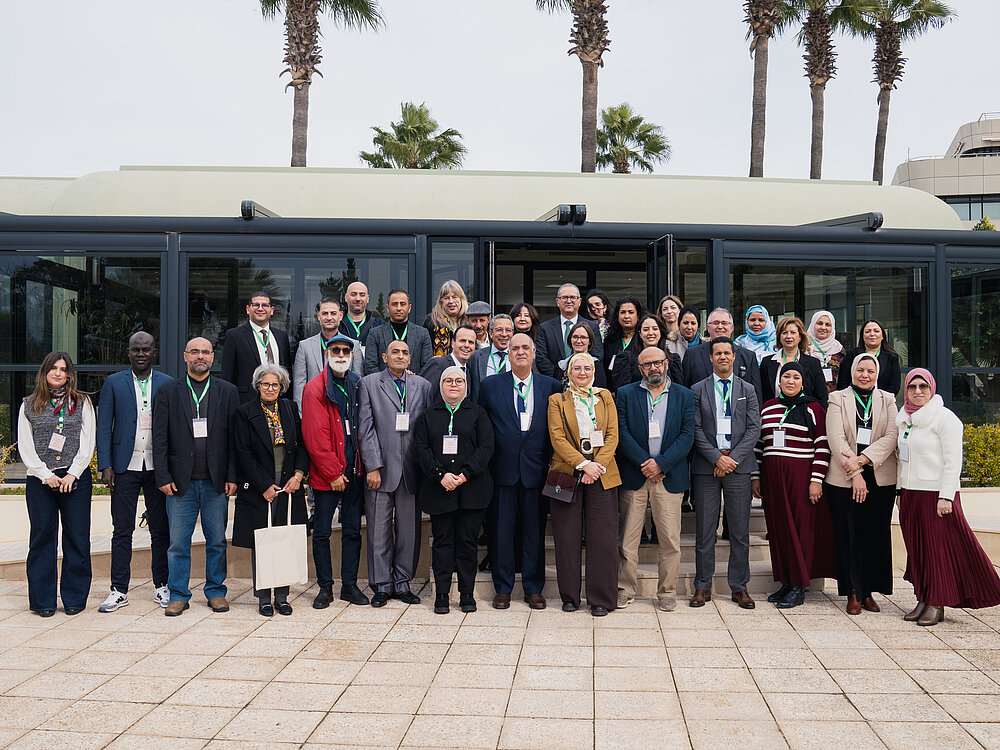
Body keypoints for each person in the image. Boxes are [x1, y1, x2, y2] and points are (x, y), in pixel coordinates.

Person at [895, 369, 1000, 626]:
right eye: (912, 387)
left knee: (936, 551)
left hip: (936, 496)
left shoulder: (945, 419)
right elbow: (901, 459)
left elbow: (953, 462)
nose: (917, 391)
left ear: (931, 389)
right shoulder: (905, 419)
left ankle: (937, 602)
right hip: (910, 495)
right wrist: (899, 491)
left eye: (923, 386)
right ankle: (923, 597)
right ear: (906, 390)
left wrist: (946, 497)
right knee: (918, 551)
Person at [152, 337, 239, 616]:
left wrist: (232, 475)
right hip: (180, 482)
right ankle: (178, 593)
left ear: (213, 357)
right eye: (194, 352)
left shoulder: (228, 391)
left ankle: (215, 591)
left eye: (205, 352)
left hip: (216, 482)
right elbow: (160, 438)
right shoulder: (167, 391)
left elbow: (235, 440)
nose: (200, 356)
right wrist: (163, 476)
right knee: (179, 543)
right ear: (185, 356)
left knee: (216, 541)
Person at [477, 333, 562, 610]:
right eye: (515, 348)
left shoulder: (550, 386)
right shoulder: (490, 386)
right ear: (508, 354)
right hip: (501, 471)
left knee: (534, 532)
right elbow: (483, 430)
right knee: (501, 532)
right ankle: (503, 588)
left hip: (537, 472)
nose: (521, 352)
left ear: (535, 353)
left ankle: (533, 588)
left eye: (526, 347)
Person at [95, 332, 173, 613]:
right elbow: (104, 426)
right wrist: (105, 465)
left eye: (147, 349)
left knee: (160, 530)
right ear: (128, 352)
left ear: (155, 352)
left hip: (158, 468)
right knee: (122, 530)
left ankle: (162, 586)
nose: (141, 354)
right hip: (123, 468)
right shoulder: (114, 383)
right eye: (136, 350)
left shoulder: (167, 383)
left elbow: (174, 428)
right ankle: (118, 590)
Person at [615, 346, 695, 612]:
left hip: (668, 476)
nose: (653, 368)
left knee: (670, 540)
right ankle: (625, 589)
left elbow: (687, 436)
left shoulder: (684, 395)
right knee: (628, 539)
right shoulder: (626, 394)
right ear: (640, 369)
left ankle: (667, 591)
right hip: (634, 475)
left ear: (667, 363)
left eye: (658, 363)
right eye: (647, 364)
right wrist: (645, 463)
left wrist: (661, 464)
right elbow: (622, 433)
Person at [751, 362, 835, 609]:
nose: (790, 381)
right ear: (779, 380)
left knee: (800, 531)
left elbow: (822, 445)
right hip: (773, 480)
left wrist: (816, 481)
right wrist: (756, 477)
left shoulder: (813, 408)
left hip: (801, 479)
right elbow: (758, 445)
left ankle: (799, 585)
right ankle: (786, 581)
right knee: (779, 531)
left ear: (802, 382)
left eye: (795, 377)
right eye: (786, 376)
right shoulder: (767, 408)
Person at [18, 352, 96, 617]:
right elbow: (25, 446)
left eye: (63, 369)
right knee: (42, 539)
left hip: (75, 478)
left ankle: (74, 598)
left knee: (77, 538)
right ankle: (43, 602)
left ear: (69, 374)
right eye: (53, 368)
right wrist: (45, 474)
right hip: (41, 481)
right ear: (45, 372)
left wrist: (73, 473)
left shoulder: (82, 402)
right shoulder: (29, 404)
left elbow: (88, 441)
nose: (58, 373)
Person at [413, 367, 495, 614]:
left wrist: (464, 475)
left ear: (466, 385)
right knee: (442, 543)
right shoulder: (428, 415)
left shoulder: (478, 413)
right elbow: (421, 448)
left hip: (472, 490)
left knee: (467, 544)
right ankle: (441, 595)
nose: (454, 385)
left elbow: (486, 446)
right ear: (441, 385)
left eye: (459, 380)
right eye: (448, 380)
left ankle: (467, 595)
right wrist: (441, 475)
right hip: (440, 490)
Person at [358, 340, 433, 606]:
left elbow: (426, 430)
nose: (400, 356)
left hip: (412, 470)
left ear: (410, 357)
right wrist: (373, 466)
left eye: (404, 352)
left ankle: (402, 582)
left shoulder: (423, 386)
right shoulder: (369, 384)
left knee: (408, 531)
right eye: (395, 352)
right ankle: (380, 585)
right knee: (378, 530)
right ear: (384, 356)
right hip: (381, 468)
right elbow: (365, 429)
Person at [547, 352, 621, 616]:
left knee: (603, 538)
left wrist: (596, 465)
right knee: (566, 536)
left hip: (602, 472)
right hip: (567, 472)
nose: (582, 372)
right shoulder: (558, 400)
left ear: (593, 370)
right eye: (576, 368)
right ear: (569, 372)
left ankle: (601, 598)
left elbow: (612, 434)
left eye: (586, 368)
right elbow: (557, 438)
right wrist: (583, 464)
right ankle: (569, 596)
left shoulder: (605, 397)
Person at [690, 337, 761, 609]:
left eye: (726, 353)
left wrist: (733, 459)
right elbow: (695, 429)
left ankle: (739, 587)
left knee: (740, 532)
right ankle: (702, 586)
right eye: (717, 353)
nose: (722, 357)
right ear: (710, 358)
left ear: (734, 357)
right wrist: (717, 458)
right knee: (705, 530)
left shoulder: (748, 389)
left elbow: (754, 428)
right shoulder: (697, 389)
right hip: (707, 467)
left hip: (739, 467)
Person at [232, 364, 308, 616]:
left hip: (288, 483)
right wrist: (263, 485)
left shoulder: (289, 408)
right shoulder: (245, 413)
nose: (270, 388)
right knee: (263, 541)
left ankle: (283, 597)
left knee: (284, 539)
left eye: (275, 384)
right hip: (260, 485)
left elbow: (300, 446)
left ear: (282, 387)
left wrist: (298, 475)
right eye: (265, 384)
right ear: (257, 386)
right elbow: (243, 453)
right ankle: (264, 597)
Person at [824, 354, 898, 615]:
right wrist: (855, 472)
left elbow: (892, 436)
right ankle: (853, 590)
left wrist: (864, 460)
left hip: (880, 478)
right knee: (849, 536)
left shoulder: (888, 399)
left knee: (874, 535)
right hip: (843, 479)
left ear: (877, 374)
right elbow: (835, 437)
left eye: (870, 371)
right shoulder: (837, 398)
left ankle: (869, 591)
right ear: (853, 371)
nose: (865, 375)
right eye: (860, 370)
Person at [301, 333, 370, 608]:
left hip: (353, 472)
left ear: (352, 356)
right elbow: (315, 438)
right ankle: (325, 588)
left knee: (353, 531)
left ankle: (350, 586)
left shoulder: (357, 383)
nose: (341, 355)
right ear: (327, 354)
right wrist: (332, 474)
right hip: (326, 476)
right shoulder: (314, 388)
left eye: (345, 351)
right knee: (322, 533)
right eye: (336, 350)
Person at [292, 297, 363, 414]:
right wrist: (301, 415)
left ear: (340, 316)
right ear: (318, 316)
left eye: (333, 313)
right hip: (315, 411)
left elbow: (358, 383)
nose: (329, 317)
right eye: (325, 313)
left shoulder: (353, 346)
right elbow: (299, 386)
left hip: (344, 412)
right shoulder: (304, 346)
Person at [221, 292, 292, 404]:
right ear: (248, 309)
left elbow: (288, 372)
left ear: (271, 310)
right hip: (246, 403)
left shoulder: (281, 336)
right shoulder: (234, 336)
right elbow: (227, 376)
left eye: (265, 305)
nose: (260, 308)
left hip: (278, 402)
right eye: (256, 305)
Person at [680, 308, 762, 401]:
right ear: (708, 328)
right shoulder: (692, 355)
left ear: (732, 328)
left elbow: (756, 396)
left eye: (724, 323)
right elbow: (684, 391)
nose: (720, 326)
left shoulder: (748, 357)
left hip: (739, 414)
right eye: (715, 323)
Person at [759, 317, 829, 409]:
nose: (788, 336)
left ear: (800, 337)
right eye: (784, 333)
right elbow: (761, 394)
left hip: (804, 418)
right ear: (779, 337)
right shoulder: (767, 362)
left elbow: (821, 396)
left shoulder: (813, 363)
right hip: (774, 415)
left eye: (793, 332)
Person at [536, 284, 604, 378]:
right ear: (557, 301)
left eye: (573, 297)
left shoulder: (592, 327)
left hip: (584, 383)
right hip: (554, 383)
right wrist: (560, 377)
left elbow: (597, 356)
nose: (569, 301)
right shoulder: (545, 328)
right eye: (564, 297)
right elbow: (541, 358)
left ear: (579, 301)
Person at [363, 289, 433, 376]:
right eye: (394, 304)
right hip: (382, 387)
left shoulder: (423, 334)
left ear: (409, 308)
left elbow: (427, 366)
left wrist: (413, 381)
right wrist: (387, 381)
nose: (399, 308)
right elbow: (370, 366)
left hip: (414, 387)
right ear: (388, 308)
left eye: (402, 304)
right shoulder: (375, 334)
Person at [836, 319, 902, 395]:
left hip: (882, 402)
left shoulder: (891, 357)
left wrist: (883, 400)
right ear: (862, 336)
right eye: (867, 331)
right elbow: (843, 382)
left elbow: (894, 386)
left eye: (876, 331)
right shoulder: (851, 355)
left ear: (882, 336)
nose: (872, 334)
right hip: (853, 402)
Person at [420, 324, 480, 401]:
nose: (467, 345)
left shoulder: (469, 371)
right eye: (462, 341)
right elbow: (423, 396)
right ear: (452, 343)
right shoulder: (438, 364)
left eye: (471, 342)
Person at [468, 314, 514, 400]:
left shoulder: (519, 357)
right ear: (491, 333)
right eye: (499, 330)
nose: (504, 334)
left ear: (512, 334)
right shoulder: (475, 357)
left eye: (508, 330)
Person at [603, 296, 647, 379]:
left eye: (631, 312)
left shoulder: (643, 339)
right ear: (617, 316)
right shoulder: (610, 340)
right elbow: (605, 368)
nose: (626, 316)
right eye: (623, 312)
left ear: (638, 315)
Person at [423, 280, 469, 358]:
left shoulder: (468, 320)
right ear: (441, 302)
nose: (451, 301)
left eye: (455, 297)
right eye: (446, 298)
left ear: (461, 299)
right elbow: (425, 351)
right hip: (439, 368)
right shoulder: (432, 321)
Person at [557, 321, 608, 390]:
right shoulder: (562, 365)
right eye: (575, 337)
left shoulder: (596, 365)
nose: (578, 341)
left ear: (589, 341)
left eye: (583, 337)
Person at [339, 280, 386, 351]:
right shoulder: (337, 323)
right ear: (346, 297)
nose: (358, 299)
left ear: (367, 299)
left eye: (362, 295)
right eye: (353, 294)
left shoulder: (379, 325)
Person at [807, 310, 845, 394]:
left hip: (834, 400)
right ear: (813, 325)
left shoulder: (839, 350)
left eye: (828, 325)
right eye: (819, 323)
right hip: (808, 399)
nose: (823, 327)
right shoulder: (803, 348)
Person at [656, 294, 686, 360]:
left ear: (680, 310)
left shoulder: (686, 334)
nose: (669, 312)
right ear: (661, 313)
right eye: (665, 309)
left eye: (673, 308)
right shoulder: (658, 336)